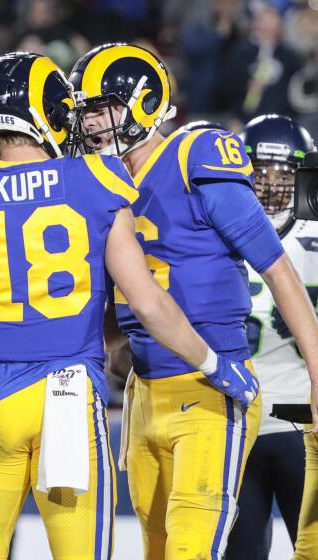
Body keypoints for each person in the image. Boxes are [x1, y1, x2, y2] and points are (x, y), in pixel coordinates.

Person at [0, 51, 258, 560]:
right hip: (68, 399)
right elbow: (147, 300)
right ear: (46, 110)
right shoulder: (94, 180)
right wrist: (213, 363)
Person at [70, 43, 318, 559]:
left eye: (100, 109)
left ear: (141, 102)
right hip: (143, 392)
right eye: (86, 112)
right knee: (157, 549)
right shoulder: (101, 181)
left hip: (211, 382)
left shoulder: (194, 153)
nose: (91, 124)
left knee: (193, 549)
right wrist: (115, 345)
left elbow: (279, 270)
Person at [225, 114, 315, 558]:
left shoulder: (220, 232)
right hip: (236, 421)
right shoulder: (217, 231)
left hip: (303, 420)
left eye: (283, 173)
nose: (271, 184)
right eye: (260, 172)